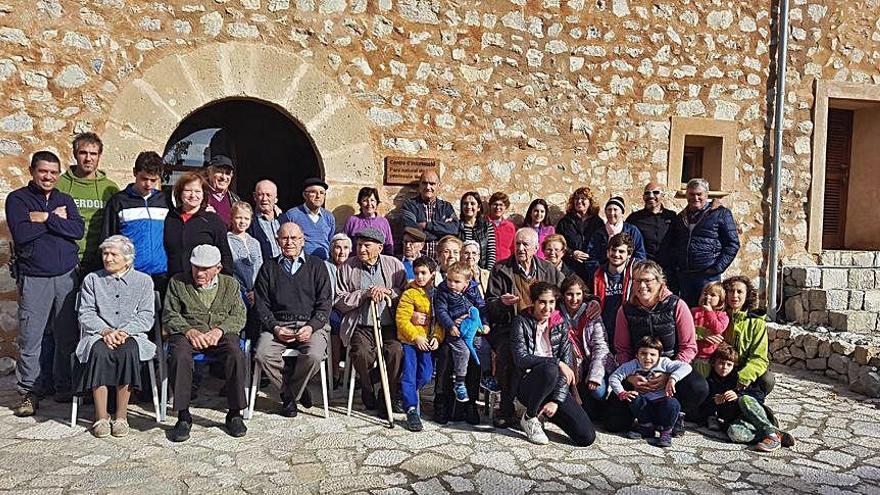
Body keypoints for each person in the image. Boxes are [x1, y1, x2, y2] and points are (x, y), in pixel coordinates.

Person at [6, 151, 85, 414]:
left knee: (66, 336)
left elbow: (77, 231)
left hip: (65, 275)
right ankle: (29, 392)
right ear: (32, 171)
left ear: (59, 174)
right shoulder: (17, 199)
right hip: (34, 277)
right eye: (43, 171)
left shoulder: (66, 200)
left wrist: (43, 217)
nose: (48, 176)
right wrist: (55, 218)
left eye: (53, 172)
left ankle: (63, 386)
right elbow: (22, 234)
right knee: (32, 337)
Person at [609, 260, 708, 435]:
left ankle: (675, 414)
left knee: (698, 388)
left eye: (647, 280)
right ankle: (647, 416)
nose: (642, 286)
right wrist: (632, 376)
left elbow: (688, 347)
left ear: (660, 282)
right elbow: (622, 348)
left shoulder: (677, 305)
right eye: (637, 281)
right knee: (614, 422)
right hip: (638, 369)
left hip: (670, 367)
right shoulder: (625, 310)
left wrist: (670, 376)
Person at [163, 245, 248, 442]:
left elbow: (238, 314)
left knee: (235, 353)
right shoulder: (178, 282)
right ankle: (183, 416)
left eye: (205, 268)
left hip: (220, 333)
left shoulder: (230, 284)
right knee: (179, 354)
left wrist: (219, 331)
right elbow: (170, 314)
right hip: (188, 332)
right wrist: (189, 331)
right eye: (196, 267)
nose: (199, 272)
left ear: (217, 268)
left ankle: (234, 413)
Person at [75, 235, 155, 438]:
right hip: (98, 335)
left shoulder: (144, 281)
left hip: (132, 335)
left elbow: (146, 315)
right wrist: (106, 332)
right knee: (99, 352)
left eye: (113, 254)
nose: (108, 258)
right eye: (105, 253)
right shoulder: (92, 280)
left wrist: (125, 332)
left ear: (127, 259)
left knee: (128, 351)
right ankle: (101, 417)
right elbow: (86, 313)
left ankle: (121, 417)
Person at [486, 227, 564, 428]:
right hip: (508, 326)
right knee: (507, 351)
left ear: (536, 248)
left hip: (541, 327)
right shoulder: (500, 269)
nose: (520, 248)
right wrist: (501, 303)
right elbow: (489, 306)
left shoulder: (549, 270)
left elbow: (571, 289)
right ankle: (506, 407)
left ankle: (544, 403)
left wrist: (591, 301)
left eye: (525, 244)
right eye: (517, 244)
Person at [253, 222, 332, 417]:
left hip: (310, 324)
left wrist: (312, 327)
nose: (289, 242)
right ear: (278, 241)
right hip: (278, 326)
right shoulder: (268, 267)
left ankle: (290, 393)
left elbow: (325, 303)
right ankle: (294, 391)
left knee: (313, 356)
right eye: (285, 238)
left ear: (302, 240)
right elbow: (261, 304)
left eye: (294, 238)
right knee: (262, 354)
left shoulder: (317, 266)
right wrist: (275, 327)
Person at [510, 282, 596, 446]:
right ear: (533, 302)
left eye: (551, 302)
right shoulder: (521, 321)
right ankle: (530, 417)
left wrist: (556, 400)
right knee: (550, 369)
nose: (547, 308)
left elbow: (567, 369)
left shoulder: (560, 324)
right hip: (529, 384)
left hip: (554, 386)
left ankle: (547, 413)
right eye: (542, 302)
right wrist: (556, 362)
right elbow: (520, 359)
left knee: (586, 437)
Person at [335, 227, 407, 416]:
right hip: (361, 326)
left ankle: (386, 395)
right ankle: (367, 388)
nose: (361, 249)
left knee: (396, 352)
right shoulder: (347, 268)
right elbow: (339, 300)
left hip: (389, 326)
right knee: (360, 354)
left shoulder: (395, 265)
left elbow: (404, 292)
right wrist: (363, 294)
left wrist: (388, 292)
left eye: (366, 245)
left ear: (380, 248)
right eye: (358, 245)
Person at [698, 344, 794, 452]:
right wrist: (715, 402)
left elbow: (758, 395)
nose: (724, 367)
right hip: (736, 420)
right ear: (714, 363)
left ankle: (770, 434)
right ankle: (774, 434)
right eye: (721, 363)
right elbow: (705, 409)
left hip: (755, 413)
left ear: (734, 365)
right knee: (734, 433)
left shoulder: (740, 378)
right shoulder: (709, 381)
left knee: (745, 400)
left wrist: (738, 395)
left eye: (729, 364)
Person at [665, 178, 741, 306]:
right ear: (686, 195)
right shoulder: (680, 217)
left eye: (699, 194)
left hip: (707, 275)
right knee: (688, 314)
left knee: (708, 313)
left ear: (706, 195)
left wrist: (717, 268)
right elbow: (675, 244)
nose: (695, 197)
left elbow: (732, 244)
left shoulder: (720, 213)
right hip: (685, 276)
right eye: (691, 194)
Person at [102, 151, 170, 292]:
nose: (148, 185)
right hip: (130, 274)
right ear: (134, 172)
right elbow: (108, 239)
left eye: (154, 180)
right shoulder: (118, 201)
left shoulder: (165, 201)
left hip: (161, 275)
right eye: (144, 178)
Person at [609, 336, 692, 448]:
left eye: (652, 354)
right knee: (633, 397)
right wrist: (622, 393)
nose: (647, 358)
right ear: (637, 355)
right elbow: (614, 377)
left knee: (673, 403)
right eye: (643, 353)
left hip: (662, 403)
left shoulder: (664, 363)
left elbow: (686, 367)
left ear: (659, 356)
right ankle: (646, 427)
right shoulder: (633, 364)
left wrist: (672, 378)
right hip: (644, 404)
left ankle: (666, 431)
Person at [57, 132, 119, 273]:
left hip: (100, 260)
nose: (88, 158)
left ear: (99, 156)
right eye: (83, 153)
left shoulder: (110, 188)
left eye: (93, 154)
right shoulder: (60, 184)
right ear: (75, 154)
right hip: (67, 259)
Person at [395, 256, 442, 432]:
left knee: (426, 375)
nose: (420, 277)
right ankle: (411, 409)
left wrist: (437, 337)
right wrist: (416, 337)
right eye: (417, 273)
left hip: (428, 342)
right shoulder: (410, 293)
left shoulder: (437, 294)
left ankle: (403, 394)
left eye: (424, 273)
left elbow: (440, 321)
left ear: (433, 274)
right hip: (411, 341)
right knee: (409, 373)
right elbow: (402, 319)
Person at [434, 261, 490, 403]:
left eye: (456, 281)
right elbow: (441, 310)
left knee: (483, 347)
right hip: (456, 331)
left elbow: (481, 306)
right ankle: (460, 382)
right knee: (463, 352)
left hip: (472, 328)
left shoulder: (472, 289)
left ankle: (487, 376)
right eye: (449, 280)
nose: (452, 284)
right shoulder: (443, 291)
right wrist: (451, 325)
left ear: (467, 282)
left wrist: (484, 323)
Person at [164, 172, 234, 277]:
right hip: (173, 283)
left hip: (204, 283)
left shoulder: (213, 220)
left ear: (203, 194)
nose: (193, 195)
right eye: (188, 191)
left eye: (197, 191)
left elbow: (225, 255)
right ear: (180, 193)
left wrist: (225, 284)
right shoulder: (170, 218)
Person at [559, 276, 610, 406]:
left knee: (598, 391)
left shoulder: (591, 313)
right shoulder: (557, 314)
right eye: (570, 294)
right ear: (563, 295)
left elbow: (601, 346)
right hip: (569, 364)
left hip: (590, 363)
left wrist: (595, 375)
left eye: (578, 294)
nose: (574, 299)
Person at [722, 276, 774, 395]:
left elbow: (759, 358)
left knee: (767, 380)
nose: (734, 295)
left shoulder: (757, 323)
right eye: (731, 291)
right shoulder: (718, 317)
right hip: (721, 368)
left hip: (744, 371)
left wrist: (745, 376)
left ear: (747, 295)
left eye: (739, 291)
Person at [402, 170, 459, 259]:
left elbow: (454, 229)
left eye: (432, 184)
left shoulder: (446, 207)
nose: (428, 187)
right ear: (420, 185)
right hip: (417, 261)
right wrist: (441, 233)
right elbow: (411, 230)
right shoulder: (410, 205)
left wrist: (426, 225)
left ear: (438, 186)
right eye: (425, 183)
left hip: (441, 261)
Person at [592, 233, 636, 347]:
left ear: (629, 255)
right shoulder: (597, 274)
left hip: (628, 328)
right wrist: (593, 300)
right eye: (613, 250)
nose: (616, 254)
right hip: (604, 329)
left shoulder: (635, 275)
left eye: (621, 251)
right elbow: (588, 294)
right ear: (607, 252)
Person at [556, 187, 604, 280]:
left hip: (592, 269)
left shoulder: (598, 223)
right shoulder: (565, 222)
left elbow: (602, 244)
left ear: (590, 202)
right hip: (571, 268)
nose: (579, 201)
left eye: (583, 198)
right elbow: (559, 243)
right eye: (576, 198)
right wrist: (572, 253)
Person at [281, 177, 335, 260]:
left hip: (324, 263)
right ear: (305, 195)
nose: (318, 196)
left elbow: (331, 241)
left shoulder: (328, 216)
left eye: (321, 193)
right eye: (313, 192)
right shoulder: (292, 215)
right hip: (300, 263)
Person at [587, 196, 646, 269]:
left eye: (615, 210)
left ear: (622, 212)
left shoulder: (632, 231)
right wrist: (600, 272)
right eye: (609, 210)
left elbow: (640, 255)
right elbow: (591, 256)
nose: (611, 213)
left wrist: (629, 270)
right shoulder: (599, 233)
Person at [626, 182, 677, 262]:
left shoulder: (671, 216)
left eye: (656, 192)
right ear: (643, 197)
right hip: (644, 267)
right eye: (647, 193)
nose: (651, 196)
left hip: (668, 268)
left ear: (663, 196)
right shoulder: (634, 218)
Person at [327, 233, 352, 387]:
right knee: (335, 323)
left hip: (351, 307)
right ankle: (335, 371)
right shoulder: (324, 266)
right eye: (338, 247)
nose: (342, 252)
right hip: (332, 307)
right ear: (331, 250)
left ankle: (351, 373)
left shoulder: (353, 266)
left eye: (345, 248)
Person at [691, 282, 729, 377]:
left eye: (713, 295)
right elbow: (687, 330)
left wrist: (709, 312)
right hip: (692, 355)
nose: (708, 297)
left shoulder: (722, 316)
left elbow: (718, 329)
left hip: (709, 358)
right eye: (705, 293)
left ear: (720, 300)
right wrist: (699, 334)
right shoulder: (694, 312)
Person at [343, 187, 394, 256]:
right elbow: (344, 243)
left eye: (372, 200)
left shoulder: (383, 222)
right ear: (360, 203)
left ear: (377, 202)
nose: (369, 204)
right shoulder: (352, 221)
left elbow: (389, 245)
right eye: (365, 200)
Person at [458, 192, 497, 271]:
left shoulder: (487, 226)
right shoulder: (457, 227)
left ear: (478, 207)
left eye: (472, 203)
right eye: (465, 203)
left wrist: (487, 273)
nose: (469, 206)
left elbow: (491, 253)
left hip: (481, 271)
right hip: (462, 272)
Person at [247, 179, 282, 263]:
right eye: (260, 195)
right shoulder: (249, 222)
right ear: (254, 197)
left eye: (268, 195)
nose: (264, 199)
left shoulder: (284, 220)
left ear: (276, 198)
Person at [203, 155, 240, 225]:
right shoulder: (199, 196)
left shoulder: (235, 200)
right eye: (219, 171)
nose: (224, 177)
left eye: (227, 173)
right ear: (209, 173)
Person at [486, 191, 516, 262]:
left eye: (501, 205)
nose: (498, 207)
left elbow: (513, 248)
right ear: (490, 206)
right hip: (488, 264)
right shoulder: (484, 224)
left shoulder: (510, 227)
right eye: (495, 204)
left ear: (505, 207)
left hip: (506, 264)